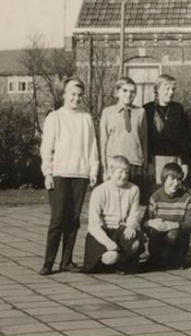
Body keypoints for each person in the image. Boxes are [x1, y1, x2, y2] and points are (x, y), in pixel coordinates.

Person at [39, 77, 99, 276]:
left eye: (79, 95)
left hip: (80, 174)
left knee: (73, 219)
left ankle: (66, 261)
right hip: (59, 174)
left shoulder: (86, 118)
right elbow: (46, 147)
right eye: (72, 94)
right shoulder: (55, 117)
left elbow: (92, 147)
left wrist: (93, 170)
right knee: (57, 218)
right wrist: (47, 172)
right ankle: (48, 262)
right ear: (64, 95)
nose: (76, 98)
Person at [83, 156, 143, 275]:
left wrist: (131, 225)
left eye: (127, 172)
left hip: (121, 230)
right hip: (103, 232)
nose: (124, 176)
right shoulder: (99, 191)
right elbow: (93, 225)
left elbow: (134, 213)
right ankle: (114, 262)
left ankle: (121, 263)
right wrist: (107, 242)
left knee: (135, 244)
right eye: (120, 172)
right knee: (111, 257)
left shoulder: (134, 189)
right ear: (111, 171)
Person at [100, 77, 149, 204]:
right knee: (114, 202)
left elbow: (144, 140)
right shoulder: (107, 112)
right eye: (125, 91)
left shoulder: (141, 112)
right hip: (116, 165)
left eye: (132, 92)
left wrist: (145, 165)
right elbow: (103, 142)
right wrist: (105, 168)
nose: (129, 94)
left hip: (135, 164)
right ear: (117, 92)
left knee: (134, 202)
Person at [144, 74, 190, 192]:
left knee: (173, 192)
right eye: (167, 89)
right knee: (157, 192)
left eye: (173, 89)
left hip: (175, 160)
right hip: (155, 161)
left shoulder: (178, 109)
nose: (171, 92)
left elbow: (184, 138)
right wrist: (149, 163)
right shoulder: (147, 109)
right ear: (158, 89)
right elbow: (145, 139)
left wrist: (185, 163)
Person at [144, 163, 191, 270]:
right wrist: (152, 223)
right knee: (155, 232)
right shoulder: (155, 197)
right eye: (172, 179)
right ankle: (157, 259)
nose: (175, 183)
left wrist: (174, 225)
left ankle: (175, 261)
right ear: (164, 179)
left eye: (179, 180)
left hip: (177, 241)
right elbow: (144, 223)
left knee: (173, 235)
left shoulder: (186, 198)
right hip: (159, 239)